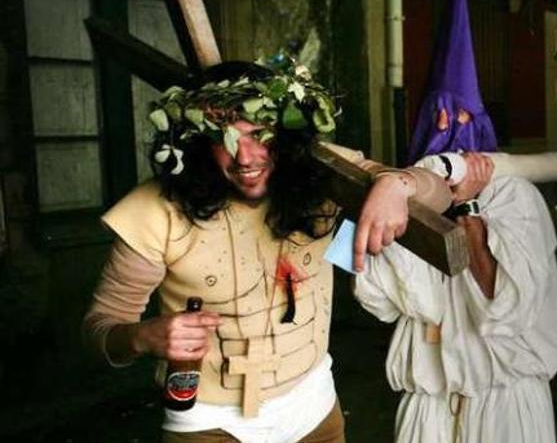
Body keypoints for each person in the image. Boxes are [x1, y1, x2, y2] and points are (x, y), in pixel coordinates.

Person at [82, 57, 450, 443]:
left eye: (260, 135)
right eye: (226, 138)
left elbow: (439, 192)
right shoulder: (155, 211)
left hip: (315, 409)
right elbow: (100, 329)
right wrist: (141, 337)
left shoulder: (324, 176)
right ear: (198, 141)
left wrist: (398, 185)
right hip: (209, 423)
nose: (245, 157)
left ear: (286, 134)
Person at [351, 0, 557, 443]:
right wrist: (359, 218)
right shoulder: (398, 197)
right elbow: (379, 304)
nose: (452, 127)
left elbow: (509, 307)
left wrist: (471, 223)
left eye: (465, 118)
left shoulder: (517, 198)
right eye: (440, 118)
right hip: (427, 408)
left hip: (505, 406)